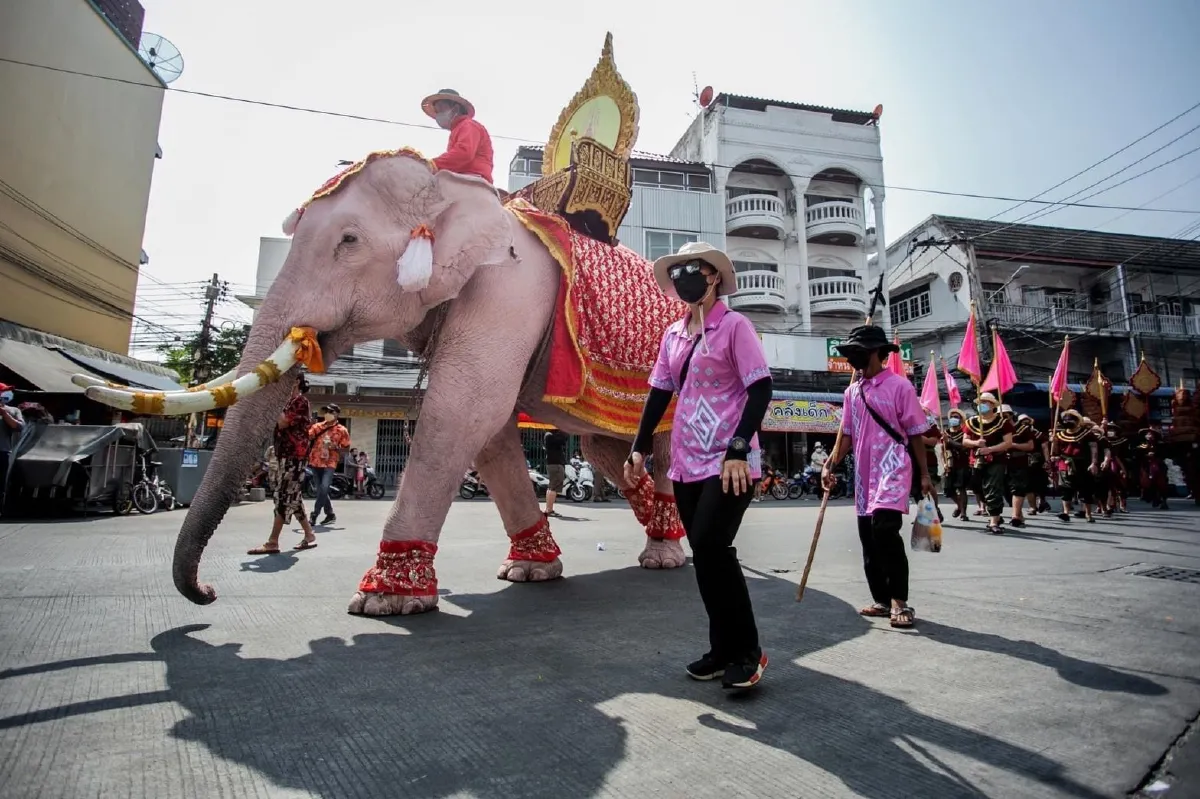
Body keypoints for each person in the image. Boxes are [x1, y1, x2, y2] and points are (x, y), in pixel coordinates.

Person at [626, 241, 772, 690]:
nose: (686, 275)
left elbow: (761, 388)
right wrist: (639, 447)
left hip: (729, 462)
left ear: (714, 278)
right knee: (705, 557)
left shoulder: (735, 327)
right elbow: (658, 394)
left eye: (696, 268)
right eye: (680, 269)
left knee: (712, 545)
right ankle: (722, 650)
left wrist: (738, 448)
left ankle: (749, 651)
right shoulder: (673, 334)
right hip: (686, 463)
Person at [821, 325, 931, 630]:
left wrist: (924, 474)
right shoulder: (851, 392)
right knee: (868, 538)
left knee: (885, 531)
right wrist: (830, 465)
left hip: (894, 468)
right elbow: (846, 434)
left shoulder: (900, 387)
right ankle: (882, 601)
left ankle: (900, 602)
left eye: (858, 351)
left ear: (876, 353)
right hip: (863, 474)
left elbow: (916, 434)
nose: (852, 358)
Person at [249, 377, 317, 554]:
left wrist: (275, 402)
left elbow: (283, 422)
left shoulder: (299, 401)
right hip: (284, 454)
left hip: (295, 455)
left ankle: (273, 542)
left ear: (295, 382)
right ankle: (309, 535)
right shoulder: (288, 402)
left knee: (283, 495)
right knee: (293, 496)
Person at [963, 393, 1013, 535]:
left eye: (986, 402)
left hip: (996, 459)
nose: (982, 404)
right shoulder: (971, 422)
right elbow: (965, 441)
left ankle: (993, 521)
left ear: (992, 405)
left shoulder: (1002, 422)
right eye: (981, 402)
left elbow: (1008, 442)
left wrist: (990, 449)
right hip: (976, 460)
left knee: (993, 488)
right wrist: (975, 443)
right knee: (977, 487)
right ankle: (994, 512)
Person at [421, 89, 493, 184]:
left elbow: (463, 153)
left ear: (455, 109)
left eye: (441, 109)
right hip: (461, 178)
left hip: (473, 179)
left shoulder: (468, 125)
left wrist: (433, 164)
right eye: (437, 111)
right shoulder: (458, 129)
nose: (439, 114)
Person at [1052, 409, 1099, 522]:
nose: (1067, 421)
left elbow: (1094, 448)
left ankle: (1088, 514)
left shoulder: (1087, 433)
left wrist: (1094, 463)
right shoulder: (1060, 435)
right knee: (1066, 489)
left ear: (1077, 420)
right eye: (1065, 419)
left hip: (1082, 463)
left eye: (1070, 419)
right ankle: (1066, 513)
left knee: (1085, 489)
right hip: (1066, 463)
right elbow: (1057, 451)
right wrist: (1054, 451)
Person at [308, 403, 350, 526]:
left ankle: (314, 514)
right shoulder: (317, 426)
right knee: (321, 489)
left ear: (337, 414)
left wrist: (335, 447)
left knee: (324, 487)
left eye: (331, 412)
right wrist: (309, 424)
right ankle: (330, 514)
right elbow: (308, 437)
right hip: (315, 460)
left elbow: (346, 448)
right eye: (326, 412)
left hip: (330, 462)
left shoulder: (342, 430)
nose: (328, 414)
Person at [1006, 409, 1038, 528]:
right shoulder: (998, 430)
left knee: (1018, 489)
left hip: (1020, 462)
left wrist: (1013, 445)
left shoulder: (1023, 430)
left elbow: (1030, 446)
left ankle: (1015, 516)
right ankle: (1019, 516)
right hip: (1004, 462)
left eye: (1006, 415)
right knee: (1007, 490)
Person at [942, 409, 973, 520]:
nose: (954, 419)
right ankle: (959, 505)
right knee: (948, 490)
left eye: (956, 417)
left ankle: (964, 513)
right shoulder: (946, 432)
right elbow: (943, 450)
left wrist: (949, 441)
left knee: (961, 487)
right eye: (952, 416)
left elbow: (963, 446)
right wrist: (944, 464)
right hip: (950, 464)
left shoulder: (964, 432)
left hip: (962, 462)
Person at [0, 383, 25, 517]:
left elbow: (19, 427)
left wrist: (4, 413)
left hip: (2, 452)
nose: (6, 395)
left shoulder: (13, 410)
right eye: (4, 392)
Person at [543, 429, 569, 517]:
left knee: (552, 487)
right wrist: (565, 432)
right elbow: (562, 440)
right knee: (553, 487)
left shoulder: (550, 435)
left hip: (555, 463)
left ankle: (549, 509)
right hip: (555, 464)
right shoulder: (549, 436)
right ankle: (549, 510)